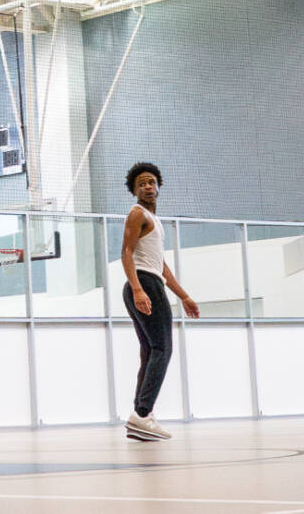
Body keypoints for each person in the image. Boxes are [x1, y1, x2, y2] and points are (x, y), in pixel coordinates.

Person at [119, 162, 200, 441]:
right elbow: (127, 252)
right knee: (162, 348)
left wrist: (184, 296)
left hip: (149, 281)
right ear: (134, 190)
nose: (148, 186)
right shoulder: (136, 214)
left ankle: (142, 416)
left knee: (150, 350)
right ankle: (142, 414)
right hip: (143, 284)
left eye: (151, 182)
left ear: (159, 186)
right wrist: (138, 289)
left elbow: (161, 266)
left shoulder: (155, 221)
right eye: (141, 183)